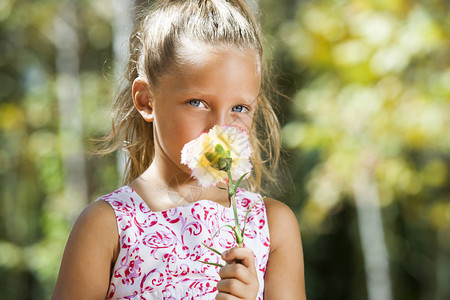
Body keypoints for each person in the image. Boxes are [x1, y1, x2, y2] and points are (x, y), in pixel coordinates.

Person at [52, 0, 306, 299]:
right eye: (197, 103)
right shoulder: (106, 225)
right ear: (146, 100)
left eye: (239, 108)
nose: (219, 129)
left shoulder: (272, 225)